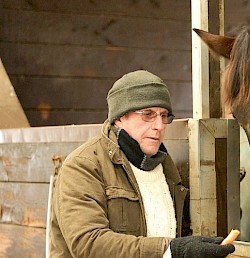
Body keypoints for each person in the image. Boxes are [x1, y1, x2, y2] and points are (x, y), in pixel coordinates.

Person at [49, 70, 236, 258]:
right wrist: (171, 250)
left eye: (164, 116)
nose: (160, 125)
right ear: (119, 117)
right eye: (148, 114)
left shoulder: (165, 166)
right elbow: (88, 243)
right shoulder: (84, 166)